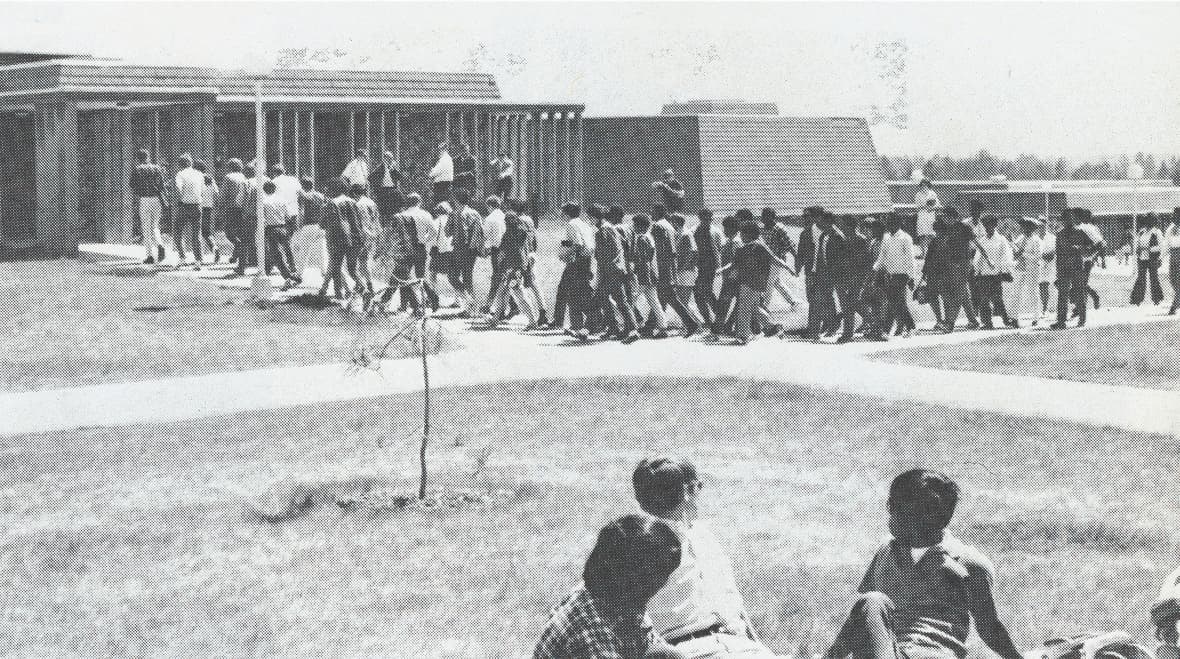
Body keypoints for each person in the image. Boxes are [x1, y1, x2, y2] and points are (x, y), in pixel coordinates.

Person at [827, 469, 1023, 659]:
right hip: (892, 652)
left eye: (897, 510)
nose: (891, 517)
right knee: (872, 601)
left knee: (871, 601)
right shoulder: (885, 551)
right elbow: (862, 621)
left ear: (923, 520)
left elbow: (989, 627)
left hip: (935, 653)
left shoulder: (969, 564)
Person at [632, 458, 777, 658]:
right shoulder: (642, 548)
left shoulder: (704, 537)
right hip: (689, 650)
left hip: (740, 646)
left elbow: (735, 605)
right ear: (688, 492)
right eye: (699, 487)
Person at [533, 514, 684, 659]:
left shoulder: (612, 593)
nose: (664, 584)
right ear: (634, 579)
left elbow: (649, 643)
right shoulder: (593, 635)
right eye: (661, 576)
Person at [718, 221, 792, 345]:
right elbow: (734, 264)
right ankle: (773, 328)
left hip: (750, 283)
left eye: (742, 233)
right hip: (753, 283)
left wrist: (787, 267)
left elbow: (773, 259)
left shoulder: (755, 247)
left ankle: (743, 336)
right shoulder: (747, 248)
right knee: (754, 308)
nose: (740, 236)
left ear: (748, 234)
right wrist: (722, 270)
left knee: (744, 308)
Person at [591, 204, 641, 343]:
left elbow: (604, 255)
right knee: (605, 298)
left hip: (610, 270)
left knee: (619, 300)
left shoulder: (603, 231)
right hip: (618, 269)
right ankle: (614, 327)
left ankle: (632, 329)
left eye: (591, 218)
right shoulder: (612, 229)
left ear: (595, 217)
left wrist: (600, 274)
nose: (590, 221)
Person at [650, 206, 700, 336]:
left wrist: (655, 268)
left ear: (658, 213)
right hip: (669, 268)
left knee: (667, 298)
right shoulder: (669, 226)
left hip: (662, 268)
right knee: (664, 298)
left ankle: (689, 324)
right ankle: (651, 325)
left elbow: (658, 250)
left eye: (653, 212)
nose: (651, 214)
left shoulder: (658, 226)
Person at [484, 212, 538, 329]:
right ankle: (495, 319)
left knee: (520, 295)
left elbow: (502, 253)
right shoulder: (523, 232)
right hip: (519, 267)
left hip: (510, 269)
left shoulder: (508, 234)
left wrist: (497, 263)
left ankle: (533, 322)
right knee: (501, 292)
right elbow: (527, 250)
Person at [934, 208, 984, 333]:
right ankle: (973, 321)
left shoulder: (964, 227)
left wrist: (987, 257)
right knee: (964, 293)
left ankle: (950, 323)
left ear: (954, 217)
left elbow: (976, 242)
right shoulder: (947, 229)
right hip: (952, 263)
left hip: (964, 263)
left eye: (946, 217)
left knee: (958, 292)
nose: (944, 219)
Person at [1051, 208, 1098, 330]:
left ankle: (1082, 319)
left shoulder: (1080, 232)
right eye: (1066, 219)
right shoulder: (1060, 234)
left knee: (1079, 293)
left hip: (1077, 267)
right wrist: (1058, 271)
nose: (1069, 221)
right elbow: (1058, 254)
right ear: (1064, 221)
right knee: (1062, 295)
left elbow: (1098, 245)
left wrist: (1085, 252)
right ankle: (1061, 321)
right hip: (1063, 269)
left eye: (1071, 218)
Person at [555, 202, 596, 340]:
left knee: (573, 294)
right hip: (586, 260)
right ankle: (578, 324)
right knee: (578, 292)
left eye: (562, 212)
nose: (561, 215)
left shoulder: (571, 224)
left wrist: (566, 254)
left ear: (567, 213)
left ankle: (579, 325)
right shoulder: (584, 224)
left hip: (578, 262)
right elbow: (573, 242)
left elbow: (578, 244)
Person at [874, 214, 915, 338]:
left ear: (897, 224)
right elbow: (882, 256)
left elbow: (910, 259)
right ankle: (910, 327)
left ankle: (886, 331)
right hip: (890, 275)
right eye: (888, 223)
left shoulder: (905, 238)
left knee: (894, 302)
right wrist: (875, 269)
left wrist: (911, 277)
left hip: (902, 275)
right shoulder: (886, 238)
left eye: (891, 223)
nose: (889, 226)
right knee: (896, 303)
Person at [446, 188, 485, 316]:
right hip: (472, 250)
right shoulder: (475, 213)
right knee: (468, 277)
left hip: (459, 248)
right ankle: (470, 308)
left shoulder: (455, 213)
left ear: (456, 200)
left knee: (452, 276)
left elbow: (447, 232)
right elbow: (480, 231)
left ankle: (470, 302)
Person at [973, 214, 1016, 329]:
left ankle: (1007, 320)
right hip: (984, 274)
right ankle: (987, 322)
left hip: (996, 274)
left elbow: (1006, 256)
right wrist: (977, 271)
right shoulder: (982, 240)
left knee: (998, 299)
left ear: (995, 225)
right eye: (986, 225)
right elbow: (978, 257)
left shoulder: (1001, 240)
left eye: (990, 225)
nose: (988, 228)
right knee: (984, 299)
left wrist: (1003, 270)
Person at [318, 178, 358, 299]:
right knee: (339, 265)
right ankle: (337, 290)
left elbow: (323, 224)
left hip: (334, 237)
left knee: (335, 264)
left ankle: (337, 292)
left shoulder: (331, 203)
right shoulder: (352, 202)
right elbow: (356, 222)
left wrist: (323, 211)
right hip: (351, 237)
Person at [400, 193, 441, 311]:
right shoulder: (425, 214)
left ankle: (405, 304)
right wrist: (424, 240)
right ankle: (432, 298)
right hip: (420, 247)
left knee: (404, 276)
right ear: (419, 202)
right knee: (421, 277)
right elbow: (434, 232)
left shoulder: (403, 215)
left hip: (406, 248)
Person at [631, 214, 669, 339]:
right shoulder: (649, 237)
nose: (633, 227)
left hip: (643, 275)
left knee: (630, 300)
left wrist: (640, 276)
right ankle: (663, 327)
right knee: (654, 302)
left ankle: (633, 326)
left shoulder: (642, 239)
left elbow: (643, 260)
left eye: (635, 225)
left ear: (640, 226)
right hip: (652, 274)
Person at [670, 213, 706, 336]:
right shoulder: (679, 233)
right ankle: (698, 323)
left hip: (687, 272)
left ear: (677, 222)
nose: (671, 223)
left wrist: (684, 266)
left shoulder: (686, 234)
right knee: (681, 300)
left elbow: (693, 251)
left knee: (683, 300)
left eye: (672, 221)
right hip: (681, 271)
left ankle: (692, 325)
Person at [260, 180, 301, 290]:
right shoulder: (282, 200)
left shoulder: (263, 201)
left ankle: (288, 276)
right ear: (274, 189)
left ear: (264, 189)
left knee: (276, 254)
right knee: (287, 249)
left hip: (270, 228)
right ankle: (293, 269)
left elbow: (261, 218)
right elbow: (288, 216)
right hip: (282, 227)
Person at [129, 149, 168, 264]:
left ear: (138, 158)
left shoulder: (137, 169)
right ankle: (160, 244)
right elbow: (162, 185)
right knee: (155, 226)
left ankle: (150, 256)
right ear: (148, 157)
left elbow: (132, 185)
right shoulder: (157, 168)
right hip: (156, 199)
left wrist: (139, 192)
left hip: (144, 199)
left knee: (146, 228)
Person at [291, 176, 328, 282]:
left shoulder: (303, 196)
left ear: (303, 186)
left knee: (304, 251)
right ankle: (324, 271)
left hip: (308, 225)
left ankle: (299, 274)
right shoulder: (320, 196)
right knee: (322, 250)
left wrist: (299, 227)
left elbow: (301, 211)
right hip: (320, 226)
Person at [693, 209, 724, 330]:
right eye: (706, 219)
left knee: (706, 292)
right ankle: (709, 319)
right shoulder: (696, 230)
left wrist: (718, 266)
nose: (708, 221)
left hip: (710, 266)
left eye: (710, 219)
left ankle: (719, 318)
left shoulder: (715, 231)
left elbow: (720, 248)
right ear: (700, 219)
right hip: (699, 265)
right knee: (699, 293)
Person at [173, 153, 205, 268]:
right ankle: (198, 260)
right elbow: (202, 190)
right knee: (196, 234)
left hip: (184, 206)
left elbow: (178, 188)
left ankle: (182, 257)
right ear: (191, 163)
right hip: (197, 205)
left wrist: (180, 199)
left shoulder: (180, 174)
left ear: (180, 164)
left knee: (177, 231)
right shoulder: (199, 174)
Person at [712, 214, 742, 336]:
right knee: (731, 304)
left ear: (732, 229)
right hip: (729, 278)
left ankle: (721, 328)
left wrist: (722, 270)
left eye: (726, 228)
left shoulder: (736, 243)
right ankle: (726, 326)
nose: (724, 230)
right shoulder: (729, 241)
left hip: (734, 279)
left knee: (725, 305)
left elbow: (735, 262)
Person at [1012, 217, 1045, 327]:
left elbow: (1037, 257)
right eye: (1024, 227)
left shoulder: (1037, 241)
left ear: (1033, 229)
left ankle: (1036, 317)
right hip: (1020, 268)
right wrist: (1014, 248)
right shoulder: (1021, 238)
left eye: (1029, 227)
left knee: (1033, 292)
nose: (1026, 230)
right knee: (1016, 292)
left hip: (1032, 268)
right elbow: (1015, 251)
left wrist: (1023, 254)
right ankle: (1014, 318)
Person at [798, 207, 825, 339]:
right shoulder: (805, 233)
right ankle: (815, 327)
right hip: (810, 271)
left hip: (822, 271)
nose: (805, 219)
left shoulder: (824, 232)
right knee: (812, 299)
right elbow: (801, 253)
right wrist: (798, 267)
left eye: (808, 216)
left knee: (817, 299)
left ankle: (815, 329)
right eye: (804, 217)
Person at [219, 158, 249, 270]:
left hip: (231, 208)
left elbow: (223, 194)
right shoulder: (244, 178)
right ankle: (241, 262)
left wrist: (220, 205)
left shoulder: (228, 177)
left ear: (230, 167)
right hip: (243, 209)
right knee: (241, 235)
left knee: (229, 232)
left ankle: (238, 248)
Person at [353, 183, 381, 300]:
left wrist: (364, 236)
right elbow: (376, 220)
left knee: (361, 262)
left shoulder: (359, 204)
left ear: (354, 193)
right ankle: (360, 285)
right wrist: (377, 235)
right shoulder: (371, 202)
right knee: (363, 262)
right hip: (373, 235)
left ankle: (368, 286)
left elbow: (363, 223)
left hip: (363, 236)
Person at [1131, 213, 1166, 306]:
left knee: (1153, 278)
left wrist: (1156, 254)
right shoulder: (1141, 232)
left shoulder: (1157, 232)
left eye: (1151, 220)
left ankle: (1156, 299)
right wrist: (1137, 249)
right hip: (1142, 258)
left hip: (1152, 258)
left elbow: (1162, 246)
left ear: (1154, 221)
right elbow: (1136, 243)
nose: (1148, 222)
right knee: (1141, 278)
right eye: (1147, 220)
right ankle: (1137, 299)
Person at [482, 196, 508, 315]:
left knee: (497, 277)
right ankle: (500, 306)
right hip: (507, 250)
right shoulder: (504, 216)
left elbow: (486, 236)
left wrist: (485, 249)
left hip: (496, 250)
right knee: (504, 277)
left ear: (489, 206)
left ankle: (491, 305)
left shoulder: (490, 219)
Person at [194, 161, 220, 264]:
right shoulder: (210, 179)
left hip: (198, 206)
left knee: (196, 232)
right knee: (206, 232)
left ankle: (199, 257)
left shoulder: (196, 178)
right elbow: (216, 193)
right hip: (208, 208)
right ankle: (214, 247)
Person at [429, 201, 454, 306]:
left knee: (432, 274)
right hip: (452, 250)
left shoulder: (437, 221)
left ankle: (433, 296)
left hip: (439, 251)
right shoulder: (452, 221)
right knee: (453, 275)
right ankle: (458, 299)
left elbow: (433, 236)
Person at [368, 150, 404, 220]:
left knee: (400, 200)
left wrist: (393, 169)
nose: (390, 160)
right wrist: (377, 187)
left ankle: (397, 219)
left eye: (391, 158)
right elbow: (370, 178)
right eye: (389, 158)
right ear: (385, 158)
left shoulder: (392, 168)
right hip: (383, 190)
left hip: (392, 189)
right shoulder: (380, 168)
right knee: (385, 209)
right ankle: (385, 222)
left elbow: (400, 177)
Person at [269, 163, 301, 230]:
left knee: (282, 234)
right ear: (284, 171)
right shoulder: (294, 180)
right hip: (293, 210)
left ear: (274, 173)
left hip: (280, 212)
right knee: (292, 233)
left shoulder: (273, 182)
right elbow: (300, 193)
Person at [914, 178, 940, 258]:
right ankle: (923, 253)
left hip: (930, 216)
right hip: (922, 216)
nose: (923, 187)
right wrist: (924, 206)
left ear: (928, 185)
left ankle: (931, 253)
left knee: (931, 234)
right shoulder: (918, 195)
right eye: (922, 185)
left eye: (925, 185)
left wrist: (932, 207)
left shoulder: (932, 194)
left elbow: (938, 204)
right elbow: (917, 207)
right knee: (922, 235)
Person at [1038, 218, 1057, 322]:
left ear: (1046, 225)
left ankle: (1048, 310)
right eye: (1039, 225)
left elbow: (1052, 253)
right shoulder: (1035, 237)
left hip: (1049, 266)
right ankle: (1044, 309)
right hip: (1038, 266)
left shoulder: (1051, 237)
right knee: (1041, 287)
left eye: (1042, 225)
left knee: (1048, 286)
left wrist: (1039, 255)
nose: (1040, 227)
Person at [1167, 209, 1180, 315]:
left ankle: (1174, 306)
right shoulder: (1170, 228)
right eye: (1173, 215)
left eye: (1176, 215)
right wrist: (1160, 258)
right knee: (1172, 279)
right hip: (1173, 255)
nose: (1174, 217)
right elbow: (1166, 243)